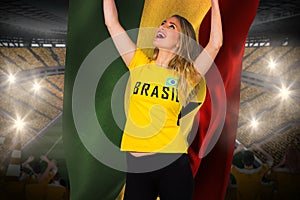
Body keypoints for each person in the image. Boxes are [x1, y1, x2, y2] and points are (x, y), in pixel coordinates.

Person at [103, 0, 223, 199]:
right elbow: (112, 23)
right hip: (137, 167)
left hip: (172, 162)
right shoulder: (138, 62)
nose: (162, 26)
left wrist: (215, 2)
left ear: (180, 40)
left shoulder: (186, 76)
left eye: (171, 26)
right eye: (163, 23)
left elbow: (215, 44)